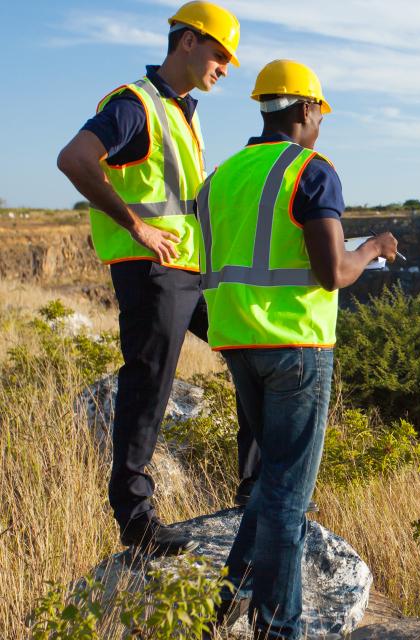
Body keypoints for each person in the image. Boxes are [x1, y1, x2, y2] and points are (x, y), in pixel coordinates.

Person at [196, 59, 397, 639]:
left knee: (269, 485)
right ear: (307, 110)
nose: (320, 125)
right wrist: (373, 248)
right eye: (320, 115)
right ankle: (280, 630)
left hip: (238, 342)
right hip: (297, 347)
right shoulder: (312, 171)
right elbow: (332, 271)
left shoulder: (223, 176)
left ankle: (220, 608)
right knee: (287, 496)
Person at [56, 1, 244, 556]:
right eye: (219, 53)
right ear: (188, 42)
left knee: (255, 350)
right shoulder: (134, 105)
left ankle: (257, 490)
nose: (225, 67)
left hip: (192, 268)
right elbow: (74, 159)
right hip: (154, 271)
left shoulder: (184, 109)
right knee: (149, 385)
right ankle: (136, 521)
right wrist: (135, 226)